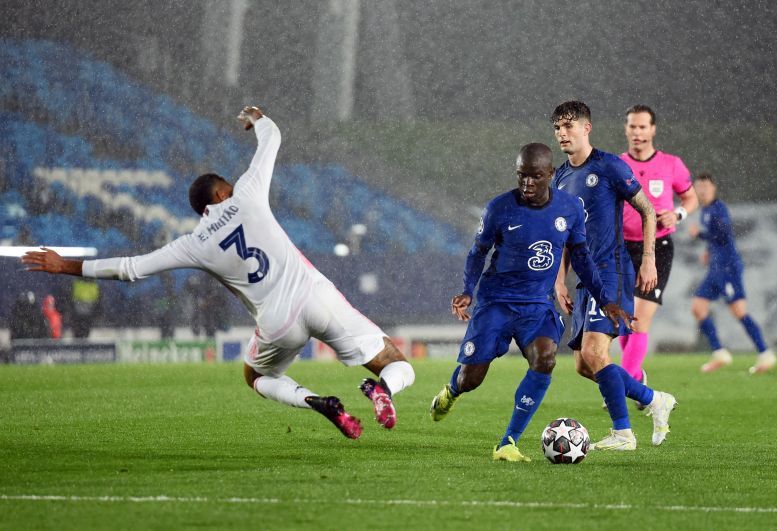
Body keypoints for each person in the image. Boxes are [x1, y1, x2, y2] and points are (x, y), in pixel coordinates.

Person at [21, 106, 415, 439]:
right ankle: (383, 390)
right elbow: (272, 138)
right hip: (316, 295)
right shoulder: (247, 193)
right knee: (398, 362)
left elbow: (130, 270)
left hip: (278, 323)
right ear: (222, 193)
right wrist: (257, 118)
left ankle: (315, 401)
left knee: (256, 377)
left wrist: (66, 265)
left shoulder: (194, 243)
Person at [430, 143, 634, 462]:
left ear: (550, 174)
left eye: (535, 177)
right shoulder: (499, 208)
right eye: (521, 176)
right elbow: (477, 253)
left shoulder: (569, 209)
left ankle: (508, 442)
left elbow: (581, 257)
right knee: (471, 379)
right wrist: (468, 290)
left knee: (545, 359)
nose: (527, 184)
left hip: (537, 306)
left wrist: (605, 299)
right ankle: (452, 391)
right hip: (496, 304)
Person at [551, 101, 676, 451]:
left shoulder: (609, 166)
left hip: (611, 270)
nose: (563, 133)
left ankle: (623, 433)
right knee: (583, 365)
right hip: (584, 278)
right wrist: (559, 280)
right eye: (558, 128)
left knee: (594, 351)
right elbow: (563, 234)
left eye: (569, 126)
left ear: (586, 128)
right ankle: (653, 399)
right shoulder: (560, 177)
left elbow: (648, 210)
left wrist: (648, 259)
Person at [618, 105, 698, 403]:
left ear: (653, 130)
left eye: (643, 127)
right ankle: (637, 380)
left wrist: (677, 214)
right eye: (632, 127)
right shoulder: (617, 164)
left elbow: (690, 199)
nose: (637, 133)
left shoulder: (671, 164)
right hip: (623, 247)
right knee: (625, 320)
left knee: (640, 320)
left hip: (659, 248)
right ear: (626, 129)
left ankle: (622, 383)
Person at [688, 173, 776, 374]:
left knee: (739, 311)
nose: (702, 190)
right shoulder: (706, 210)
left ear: (713, 188)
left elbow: (724, 232)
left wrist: (700, 235)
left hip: (728, 268)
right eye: (698, 186)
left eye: (705, 186)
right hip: (715, 269)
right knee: (698, 307)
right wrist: (709, 250)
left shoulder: (718, 209)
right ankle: (720, 353)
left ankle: (765, 353)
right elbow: (717, 239)